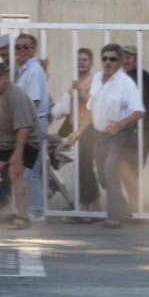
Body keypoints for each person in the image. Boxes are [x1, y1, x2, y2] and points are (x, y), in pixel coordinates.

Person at [67, 44, 145, 229]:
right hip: (99, 134)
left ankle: (114, 217)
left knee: (110, 169)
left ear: (119, 62)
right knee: (103, 176)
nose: (108, 62)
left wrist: (120, 124)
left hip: (119, 134)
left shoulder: (125, 83)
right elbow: (91, 109)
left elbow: (139, 111)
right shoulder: (95, 80)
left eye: (113, 59)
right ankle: (124, 211)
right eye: (105, 59)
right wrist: (79, 131)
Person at [0, 63, 44, 230]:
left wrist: (17, 156)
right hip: (2, 139)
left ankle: (23, 217)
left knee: (15, 173)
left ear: (6, 78)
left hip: (27, 138)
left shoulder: (16, 95)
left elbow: (23, 128)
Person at [52, 48, 101, 220]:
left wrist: (80, 92)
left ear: (91, 63)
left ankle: (87, 208)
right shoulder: (76, 81)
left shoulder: (93, 79)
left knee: (84, 167)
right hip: (73, 127)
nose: (81, 62)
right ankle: (92, 207)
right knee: (63, 159)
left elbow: (95, 103)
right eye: (79, 59)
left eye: (85, 60)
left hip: (86, 128)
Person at [121, 44, 149, 211]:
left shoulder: (141, 77)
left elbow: (142, 106)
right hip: (137, 131)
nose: (125, 60)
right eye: (123, 56)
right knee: (130, 167)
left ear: (136, 59)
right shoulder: (128, 77)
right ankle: (135, 204)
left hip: (148, 131)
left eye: (129, 56)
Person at [14, 33, 49, 221]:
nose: (21, 50)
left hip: (33, 125)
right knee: (28, 170)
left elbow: (33, 103)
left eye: (26, 47)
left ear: (33, 49)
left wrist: (23, 128)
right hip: (31, 124)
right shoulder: (26, 70)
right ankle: (30, 210)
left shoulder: (33, 71)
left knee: (31, 170)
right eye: (18, 47)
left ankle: (36, 212)